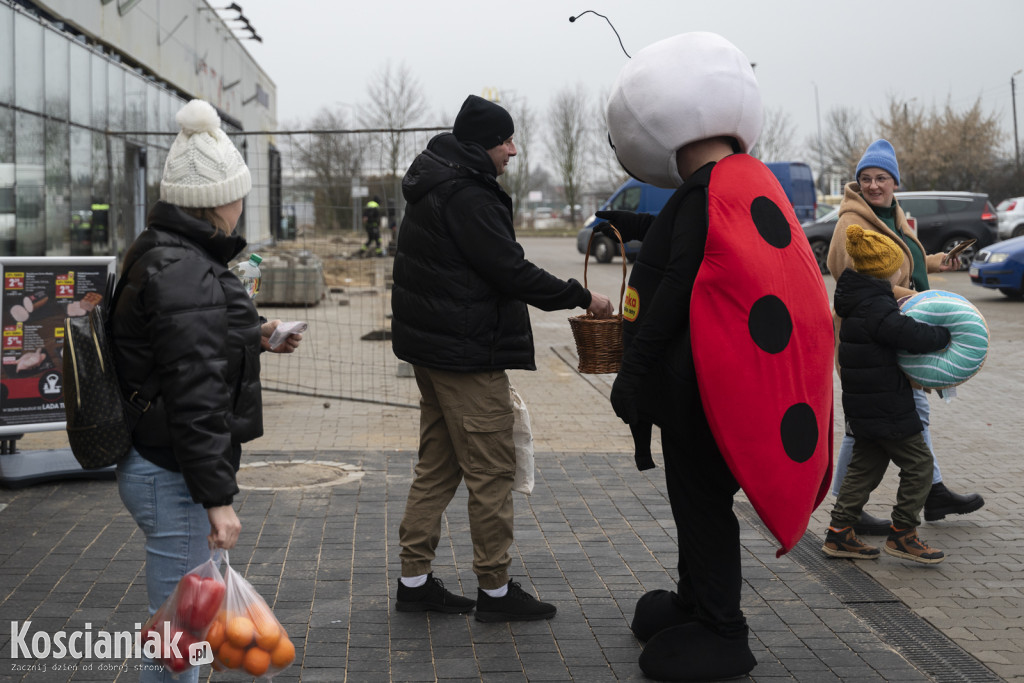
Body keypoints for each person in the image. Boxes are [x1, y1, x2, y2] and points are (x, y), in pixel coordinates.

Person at [595, 33, 834, 681]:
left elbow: (679, 286)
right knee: (692, 504)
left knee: (701, 504)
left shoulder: (709, 192)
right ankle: (695, 600)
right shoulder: (735, 183)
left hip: (702, 394)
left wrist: (634, 372)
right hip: (705, 388)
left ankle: (723, 628)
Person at [390, 94, 614, 622]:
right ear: (482, 144)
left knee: (438, 465)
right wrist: (582, 296)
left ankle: (414, 580)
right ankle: (495, 590)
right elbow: (509, 270)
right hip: (465, 353)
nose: (512, 150)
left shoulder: (436, 183)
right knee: (492, 470)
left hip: (434, 349)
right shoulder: (467, 194)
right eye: (505, 141)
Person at [111, 99, 302, 683]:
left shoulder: (167, 251)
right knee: (179, 636)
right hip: (173, 473)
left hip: (161, 463)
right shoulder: (187, 269)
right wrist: (217, 499)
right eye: (239, 192)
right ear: (220, 198)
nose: (242, 204)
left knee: (181, 629)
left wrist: (260, 336)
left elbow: (189, 337)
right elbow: (193, 392)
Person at [826, 139, 984, 535]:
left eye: (881, 177)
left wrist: (935, 262)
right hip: (871, 340)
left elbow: (899, 263)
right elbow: (858, 286)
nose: (874, 184)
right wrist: (929, 302)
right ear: (858, 182)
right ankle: (861, 505)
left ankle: (928, 492)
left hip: (893, 332)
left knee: (895, 420)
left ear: (895, 181)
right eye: (866, 178)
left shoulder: (893, 214)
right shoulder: (853, 224)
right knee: (874, 426)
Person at [822, 225, 950, 564]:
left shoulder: (856, 302)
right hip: (886, 405)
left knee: (865, 468)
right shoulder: (877, 306)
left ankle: (839, 533)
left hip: (865, 405)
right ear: (887, 270)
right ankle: (904, 533)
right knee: (920, 465)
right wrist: (944, 333)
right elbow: (910, 335)